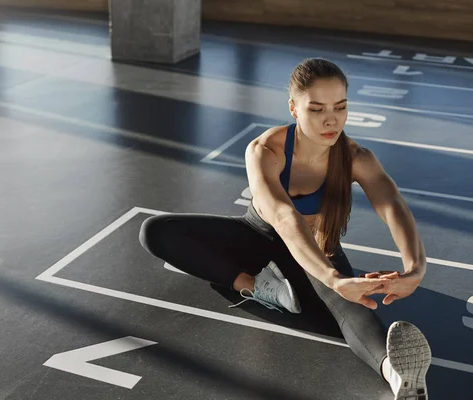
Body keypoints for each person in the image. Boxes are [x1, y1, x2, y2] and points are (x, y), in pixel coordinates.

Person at [138, 58, 432, 399]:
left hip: (317, 250)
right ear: (294, 108)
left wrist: (415, 267)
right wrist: (333, 278)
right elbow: (282, 216)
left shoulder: (356, 157)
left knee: (349, 306)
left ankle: (398, 377)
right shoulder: (266, 150)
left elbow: (392, 205)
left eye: (340, 106)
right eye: (317, 108)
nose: (331, 119)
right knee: (157, 230)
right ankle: (255, 286)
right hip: (257, 236)